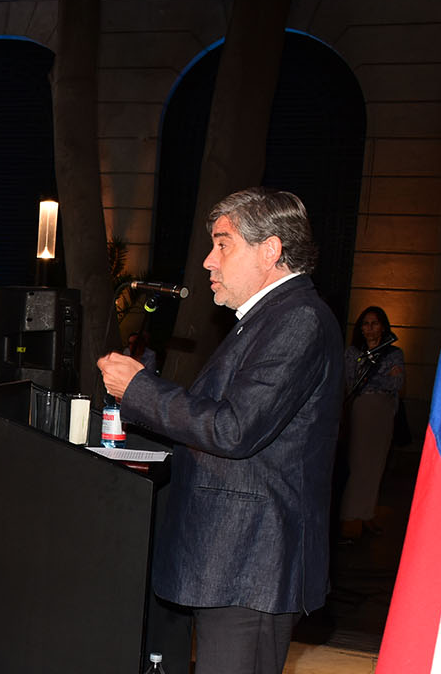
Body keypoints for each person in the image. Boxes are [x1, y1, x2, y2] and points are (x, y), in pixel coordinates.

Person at [96, 188, 341, 674]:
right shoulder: (269, 319)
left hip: (251, 561)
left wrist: (139, 389)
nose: (209, 261)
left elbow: (233, 428)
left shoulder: (297, 319)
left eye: (223, 245)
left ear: (270, 250)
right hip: (236, 559)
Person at [339, 305, 404, 542]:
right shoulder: (353, 353)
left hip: (384, 411)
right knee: (358, 463)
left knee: (377, 464)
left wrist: (376, 378)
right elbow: (351, 380)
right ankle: (350, 516)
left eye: (374, 323)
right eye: (365, 324)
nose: (370, 328)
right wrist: (382, 375)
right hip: (361, 410)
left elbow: (396, 383)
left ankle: (367, 513)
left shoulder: (393, 353)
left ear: (383, 327)